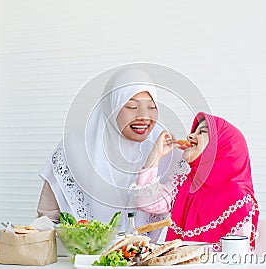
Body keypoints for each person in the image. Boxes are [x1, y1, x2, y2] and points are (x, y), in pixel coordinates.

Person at [37, 68, 185, 242]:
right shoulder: (73, 149)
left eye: (152, 107)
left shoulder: (168, 152)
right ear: (111, 107)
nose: (144, 116)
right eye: (132, 106)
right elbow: (46, 218)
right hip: (84, 259)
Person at [135, 112, 259, 249]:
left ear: (220, 147)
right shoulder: (183, 183)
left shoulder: (238, 197)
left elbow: (237, 257)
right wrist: (156, 155)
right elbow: (147, 202)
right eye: (193, 131)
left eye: (202, 132)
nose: (190, 136)